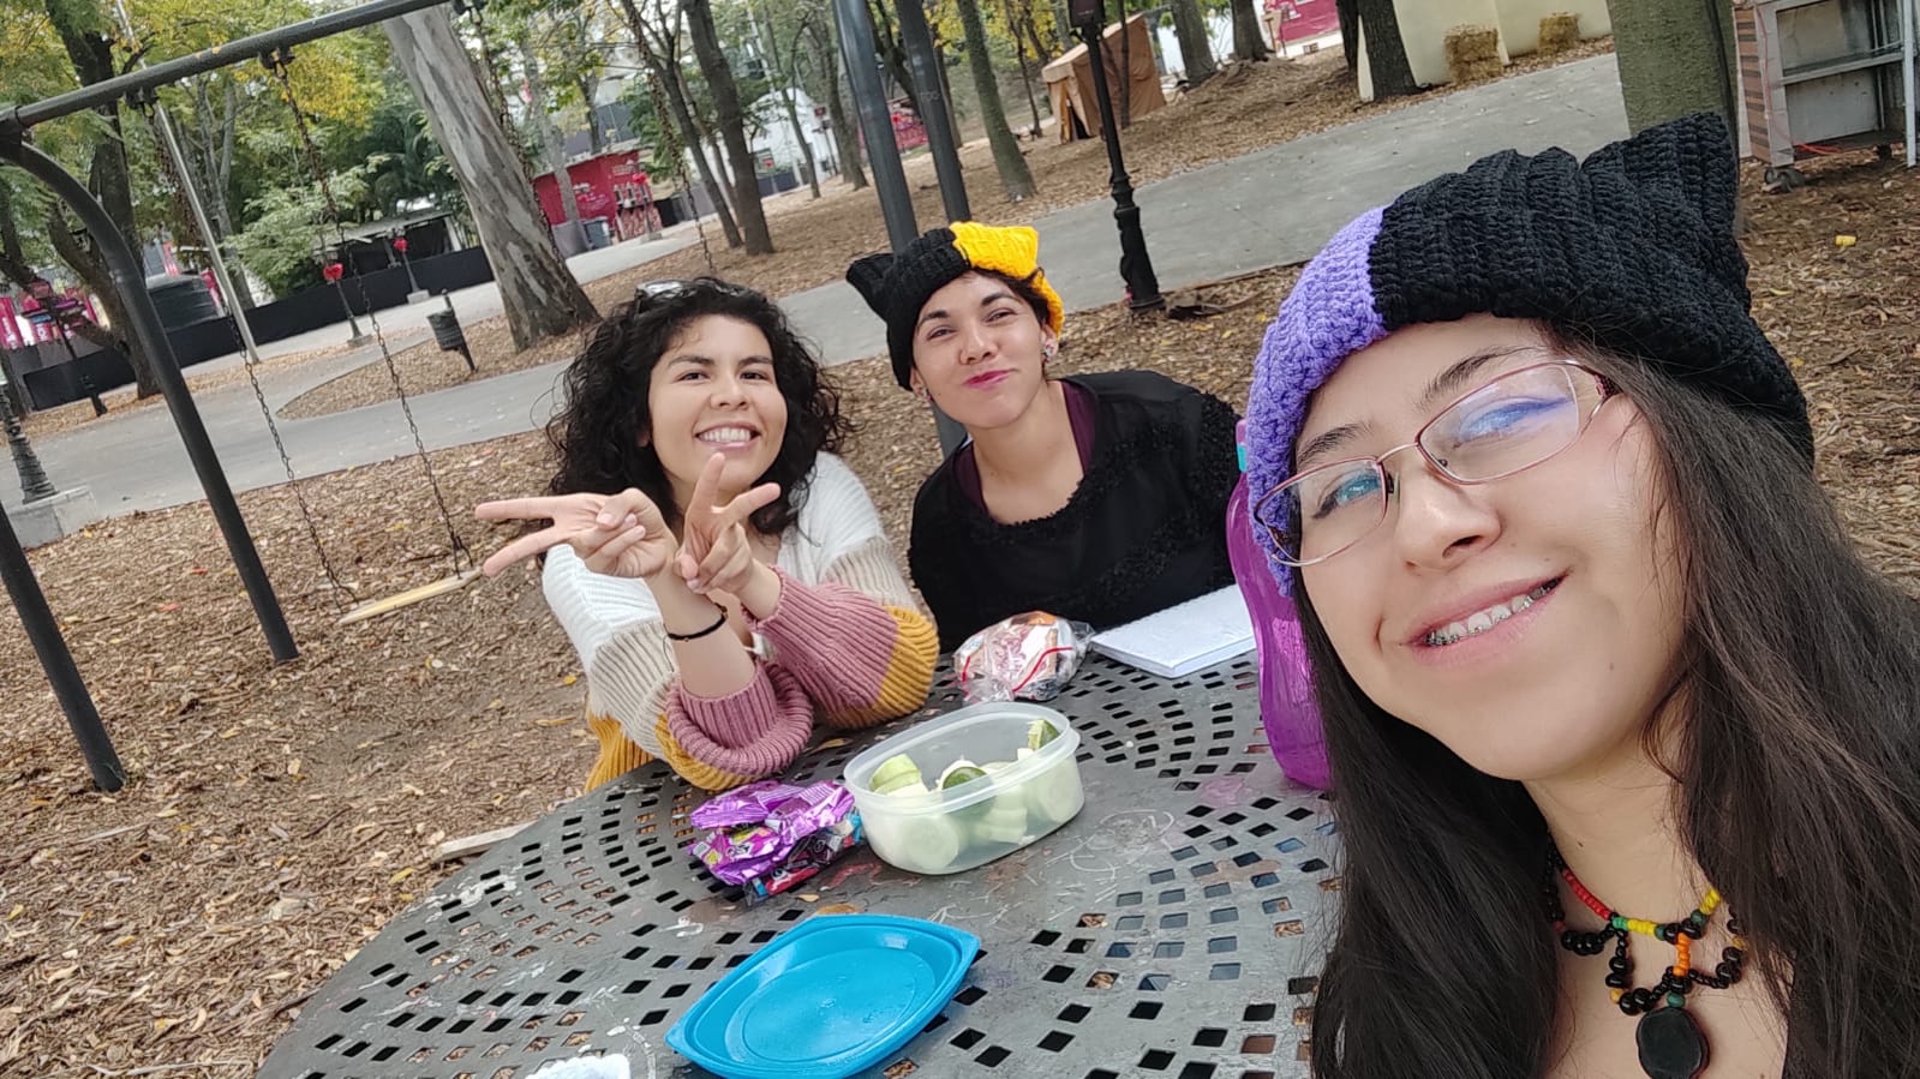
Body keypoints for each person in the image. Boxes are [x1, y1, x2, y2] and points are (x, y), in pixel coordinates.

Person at [1242, 114, 1920, 1078]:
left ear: (1710, 434)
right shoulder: (1411, 988)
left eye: (1504, 413)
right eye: (1343, 487)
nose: (1425, 525)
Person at [476, 279, 938, 791]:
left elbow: (900, 678)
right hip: (672, 822)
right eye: (695, 374)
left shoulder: (819, 488)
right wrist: (670, 583)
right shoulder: (596, 555)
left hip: (868, 790)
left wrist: (752, 581)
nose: (733, 395)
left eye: (754, 374)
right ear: (639, 421)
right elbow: (738, 756)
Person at [846, 222, 1241, 650]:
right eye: (941, 332)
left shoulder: (1166, 421)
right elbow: (979, 667)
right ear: (915, 376)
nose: (977, 347)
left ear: (1045, 331)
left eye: (998, 315)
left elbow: (1282, 553)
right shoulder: (942, 525)